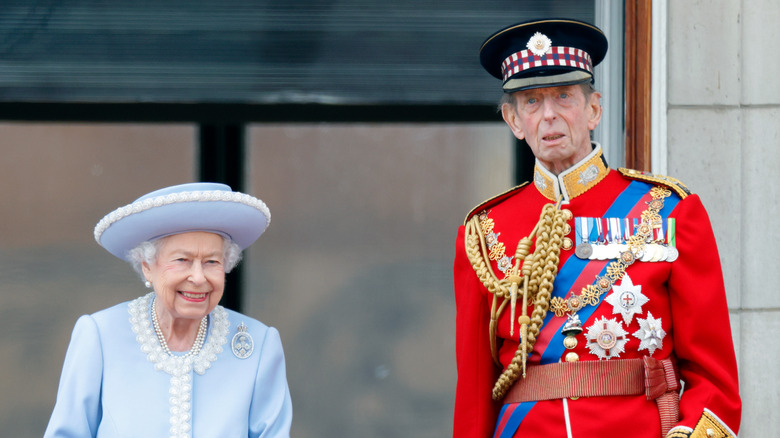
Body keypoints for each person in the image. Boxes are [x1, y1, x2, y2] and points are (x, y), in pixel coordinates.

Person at [453, 19, 741, 438]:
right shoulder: (483, 231)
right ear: (514, 121)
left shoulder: (667, 209)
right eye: (531, 102)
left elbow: (714, 379)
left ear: (593, 109)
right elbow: (476, 393)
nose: (549, 115)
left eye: (564, 96)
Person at [45, 183, 292, 437]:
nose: (198, 277)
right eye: (182, 260)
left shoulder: (259, 345)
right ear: (147, 266)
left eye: (211, 262)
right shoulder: (100, 336)